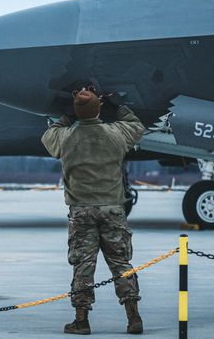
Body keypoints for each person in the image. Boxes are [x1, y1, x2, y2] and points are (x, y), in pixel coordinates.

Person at [41, 89, 145, 335]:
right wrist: (116, 105)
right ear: (98, 109)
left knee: (83, 265)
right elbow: (136, 126)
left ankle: (81, 320)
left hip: (81, 211)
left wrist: (68, 114)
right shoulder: (115, 134)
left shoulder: (65, 137)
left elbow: (48, 135)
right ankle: (133, 318)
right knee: (121, 263)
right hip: (112, 209)